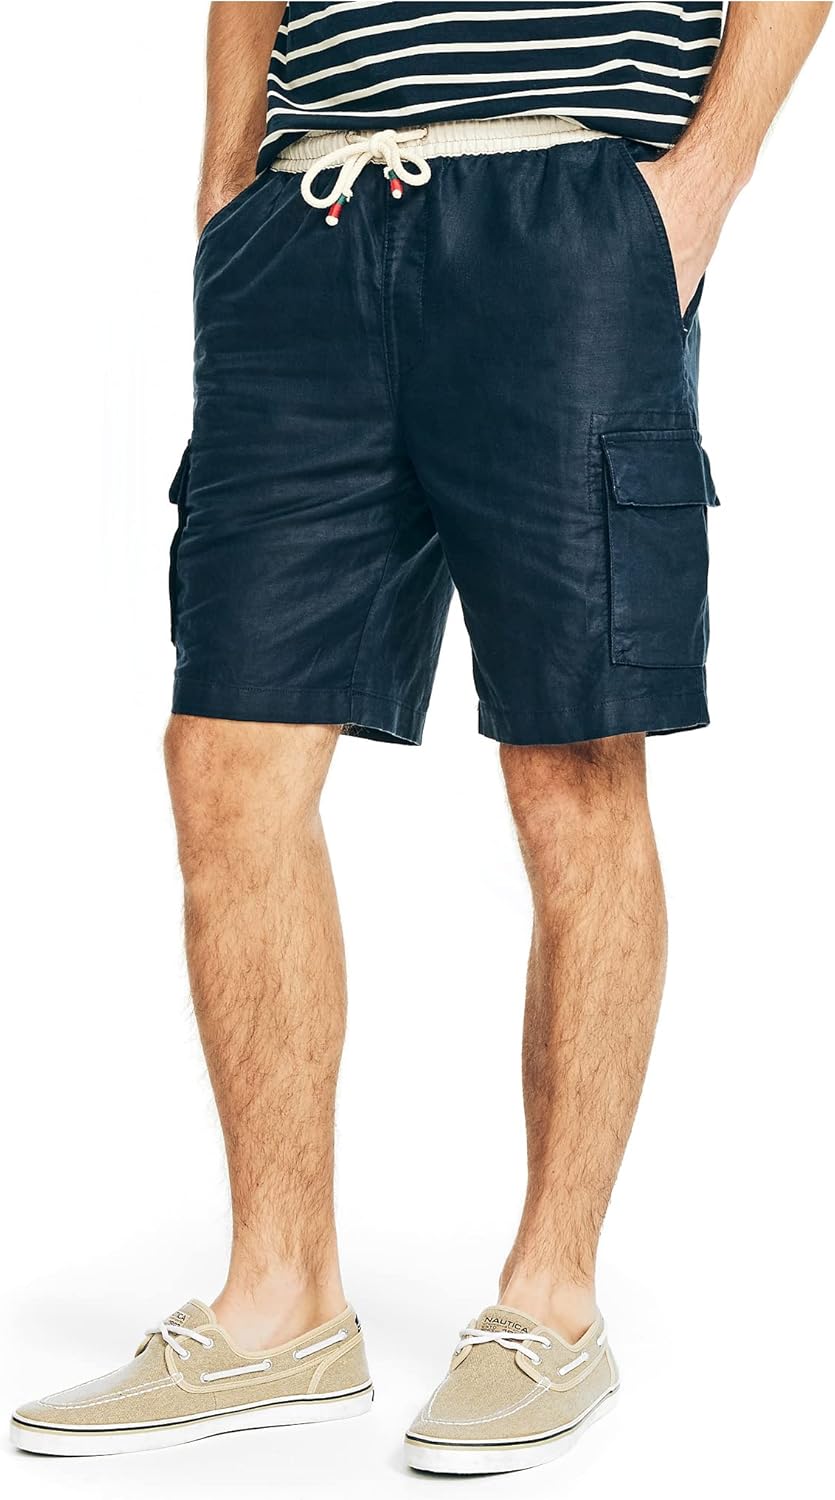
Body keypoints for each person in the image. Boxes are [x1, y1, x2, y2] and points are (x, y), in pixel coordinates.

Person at [11, 0, 829, 1475]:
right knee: (224, 759)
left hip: (567, 214)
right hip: (305, 224)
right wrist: (228, 186)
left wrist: (701, 184)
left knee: (575, 764)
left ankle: (552, 1302)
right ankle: (280, 1303)